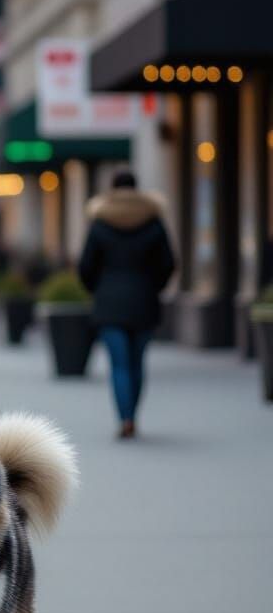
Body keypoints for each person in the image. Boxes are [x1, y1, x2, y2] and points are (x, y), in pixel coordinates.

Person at [78, 170, 176, 439]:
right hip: (144, 300)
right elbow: (168, 263)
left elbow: (86, 266)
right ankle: (134, 414)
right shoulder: (154, 222)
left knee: (119, 364)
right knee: (137, 362)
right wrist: (152, 286)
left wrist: (96, 289)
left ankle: (125, 418)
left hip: (109, 302)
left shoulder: (100, 223)